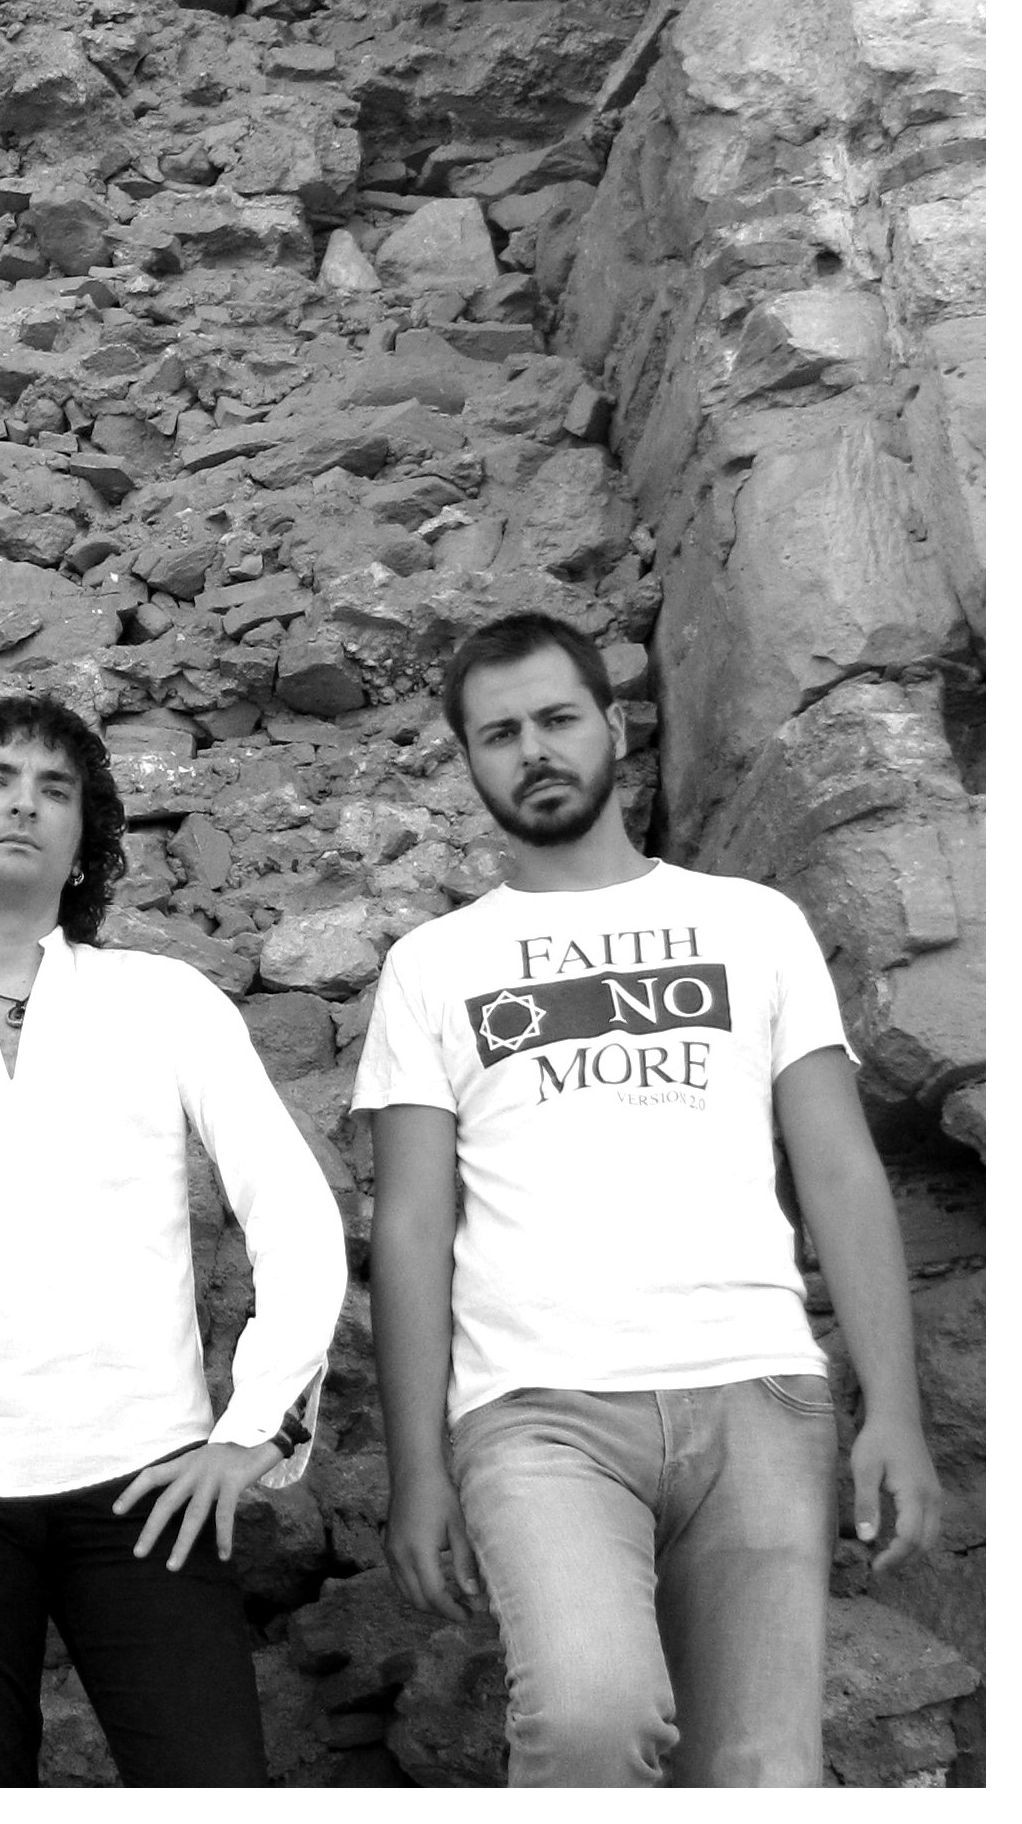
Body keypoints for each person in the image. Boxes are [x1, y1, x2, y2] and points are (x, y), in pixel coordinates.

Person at [356, 609, 943, 1788]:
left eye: (555, 719)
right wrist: (416, 1469)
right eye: (498, 735)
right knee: (587, 1717)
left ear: (613, 728)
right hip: (536, 1409)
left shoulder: (750, 926)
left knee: (758, 1773)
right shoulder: (431, 967)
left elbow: (836, 1169)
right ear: (469, 762)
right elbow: (411, 1228)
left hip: (754, 1392)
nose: (532, 751)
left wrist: (894, 1409)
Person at [0, 691, 348, 1786]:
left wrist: (255, 1426)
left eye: (55, 789)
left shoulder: (165, 1002)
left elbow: (291, 1208)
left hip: (145, 1476)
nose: (24, 804)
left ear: (85, 841)